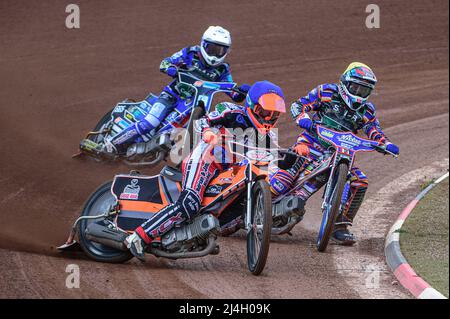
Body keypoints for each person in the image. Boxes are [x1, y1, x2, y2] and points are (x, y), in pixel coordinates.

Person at [124, 81, 286, 260]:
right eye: (264, 112)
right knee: (189, 203)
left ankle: (190, 234)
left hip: (228, 173)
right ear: (252, 106)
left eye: (274, 114)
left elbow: (276, 157)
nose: (268, 118)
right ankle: (138, 237)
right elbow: (201, 122)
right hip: (205, 160)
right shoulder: (230, 111)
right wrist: (209, 132)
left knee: (229, 211)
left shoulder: (268, 136)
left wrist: (295, 154)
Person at [269, 62, 400, 245]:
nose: (358, 93)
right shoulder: (327, 92)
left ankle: (339, 225)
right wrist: (303, 118)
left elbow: (374, 130)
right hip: (311, 144)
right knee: (281, 183)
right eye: (355, 87)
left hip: (342, 153)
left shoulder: (367, 110)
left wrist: (386, 143)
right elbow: (299, 105)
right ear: (345, 83)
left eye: (363, 90)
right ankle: (255, 202)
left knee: (360, 181)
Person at [101, 26, 250, 156]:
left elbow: (233, 92)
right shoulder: (190, 53)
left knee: (200, 128)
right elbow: (165, 62)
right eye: (212, 49)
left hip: (193, 104)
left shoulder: (222, 70)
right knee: (151, 121)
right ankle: (110, 144)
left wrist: (242, 91)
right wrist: (170, 68)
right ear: (204, 45)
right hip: (172, 95)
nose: (215, 54)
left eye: (220, 50)